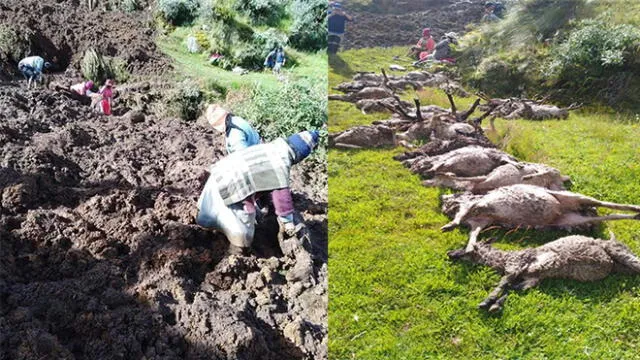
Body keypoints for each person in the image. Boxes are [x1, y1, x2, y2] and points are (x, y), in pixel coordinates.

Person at [196, 131, 320, 279]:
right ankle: (233, 262)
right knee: (243, 229)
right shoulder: (281, 161)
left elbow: (262, 178)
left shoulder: (270, 148)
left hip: (218, 177)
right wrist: (288, 224)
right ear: (299, 154)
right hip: (229, 187)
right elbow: (282, 199)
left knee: (207, 214)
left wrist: (266, 204)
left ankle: (209, 234)